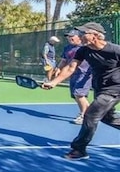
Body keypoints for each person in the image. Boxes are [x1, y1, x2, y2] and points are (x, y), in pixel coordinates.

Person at [42, 22, 120, 160]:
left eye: (84, 33)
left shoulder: (114, 50)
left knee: (90, 115)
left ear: (95, 35)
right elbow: (71, 68)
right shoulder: (83, 50)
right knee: (108, 118)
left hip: (115, 88)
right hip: (100, 88)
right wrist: (54, 82)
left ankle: (79, 150)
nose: (80, 36)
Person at [54, 29, 92, 125]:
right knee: (75, 95)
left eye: (72, 36)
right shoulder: (67, 48)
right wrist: (58, 68)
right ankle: (91, 114)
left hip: (85, 74)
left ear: (79, 37)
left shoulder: (85, 48)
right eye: (68, 36)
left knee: (78, 94)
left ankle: (84, 116)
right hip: (72, 74)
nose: (69, 38)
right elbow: (64, 60)